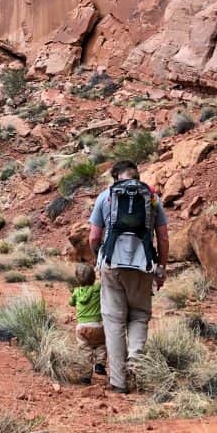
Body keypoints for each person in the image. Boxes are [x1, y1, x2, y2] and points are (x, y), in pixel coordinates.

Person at [88, 159, 169, 393]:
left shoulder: (106, 197)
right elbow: (163, 237)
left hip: (112, 265)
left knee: (113, 321)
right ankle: (135, 359)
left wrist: (98, 257)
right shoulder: (152, 199)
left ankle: (118, 382)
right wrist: (161, 268)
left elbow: (94, 237)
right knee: (139, 315)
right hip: (143, 266)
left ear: (116, 177)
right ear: (137, 176)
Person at [70, 263, 106, 380]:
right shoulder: (97, 288)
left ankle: (86, 375)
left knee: (84, 349)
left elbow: (70, 303)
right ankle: (100, 364)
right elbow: (104, 283)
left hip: (82, 327)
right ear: (93, 278)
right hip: (98, 325)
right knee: (101, 344)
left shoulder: (76, 292)